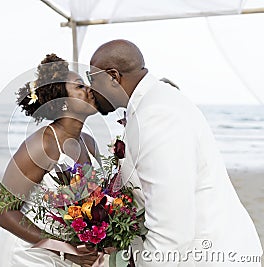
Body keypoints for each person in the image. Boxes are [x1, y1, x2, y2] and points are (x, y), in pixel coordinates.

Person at [88, 39, 262, 266]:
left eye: (92, 79)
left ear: (113, 76)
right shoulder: (157, 102)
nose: (90, 88)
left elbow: (171, 230)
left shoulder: (156, 115)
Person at [0, 54, 100, 267]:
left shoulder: (89, 144)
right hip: (26, 254)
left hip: (69, 255)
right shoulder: (42, 145)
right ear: (63, 103)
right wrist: (65, 250)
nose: (89, 90)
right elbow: (3, 212)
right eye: (80, 86)